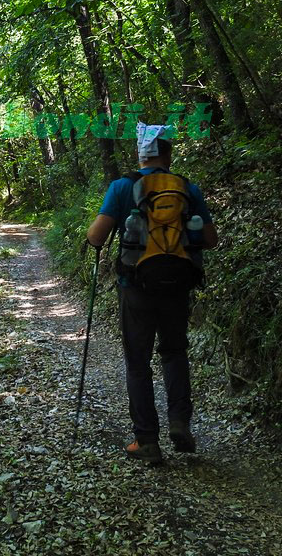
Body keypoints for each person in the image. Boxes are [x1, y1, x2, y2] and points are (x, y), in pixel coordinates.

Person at [86, 125, 218, 464]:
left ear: (141, 154)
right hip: (178, 285)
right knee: (174, 353)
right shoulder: (185, 187)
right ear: (168, 154)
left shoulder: (122, 186)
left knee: (138, 362)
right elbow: (210, 238)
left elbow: (97, 237)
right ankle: (179, 423)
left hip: (136, 287)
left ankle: (146, 440)